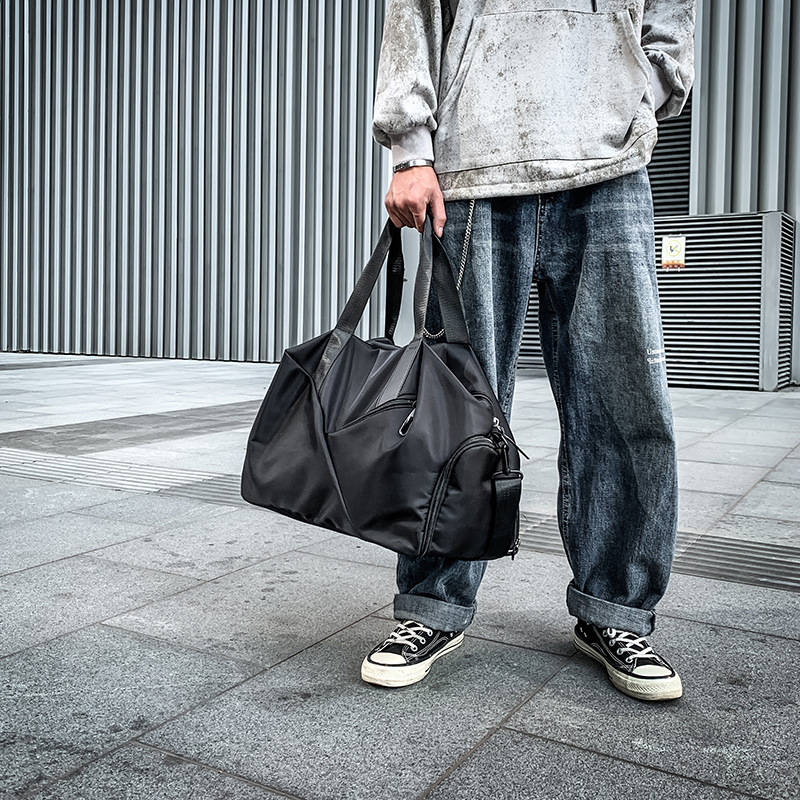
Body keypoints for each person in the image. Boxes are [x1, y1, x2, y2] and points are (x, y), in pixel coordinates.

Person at [360, 0, 695, 701]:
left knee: (625, 406)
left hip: (608, 169)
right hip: (479, 164)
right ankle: (433, 604)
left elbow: (672, 17)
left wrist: (643, 90)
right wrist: (409, 149)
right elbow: (414, 12)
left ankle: (617, 608)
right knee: (453, 407)